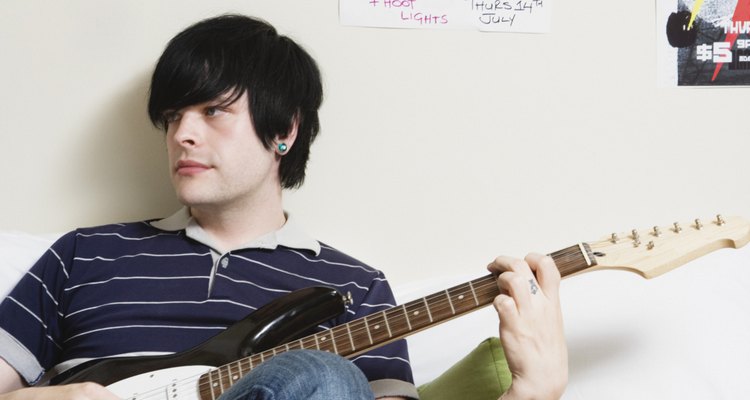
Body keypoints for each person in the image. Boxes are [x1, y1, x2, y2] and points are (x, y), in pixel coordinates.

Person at [0, 14, 566, 400]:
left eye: (212, 111)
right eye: (173, 117)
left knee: (321, 375)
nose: (182, 135)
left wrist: (533, 391)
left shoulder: (355, 286)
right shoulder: (84, 254)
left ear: (284, 132)